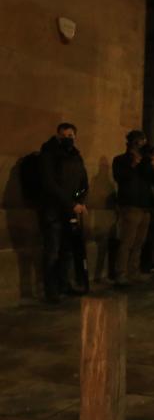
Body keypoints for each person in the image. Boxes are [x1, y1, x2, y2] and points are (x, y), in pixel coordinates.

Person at [38, 122, 88, 302]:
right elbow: (50, 184)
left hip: (71, 210)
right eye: (65, 135)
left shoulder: (76, 156)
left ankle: (64, 284)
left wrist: (80, 200)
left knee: (67, 250)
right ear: (58, 136)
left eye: (71, 135)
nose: (69, 138)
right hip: (54, 210)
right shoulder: (49, 154)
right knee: (53, 250)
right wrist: (70, 204)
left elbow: (82, 182)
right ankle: (52, 291)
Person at [112, 130, 154, 287]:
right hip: (130, 204)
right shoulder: (120, 160)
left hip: (145, 205)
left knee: (139, 242)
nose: (142, 144)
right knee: (127, 241)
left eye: (143, 141)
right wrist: (133, 164)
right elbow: (120, 177)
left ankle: (133, 271)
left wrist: (147, 162)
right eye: (139, 141)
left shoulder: (145, 161)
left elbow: (152, 177)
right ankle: (121, 273)